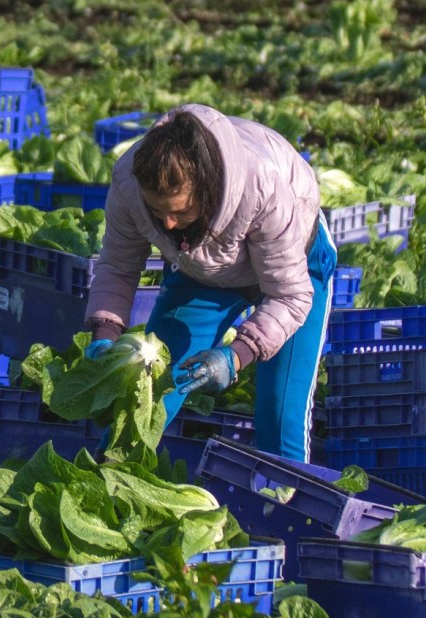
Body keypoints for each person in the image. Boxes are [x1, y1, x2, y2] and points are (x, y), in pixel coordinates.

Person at [83, 103, 336, 463]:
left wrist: (238, 355)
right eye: (158, 211)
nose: (168, 224)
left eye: (180, 211)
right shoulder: (129, 181)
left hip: (295, 268)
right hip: (202, 269)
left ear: (207, 188)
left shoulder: (262, 185)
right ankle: (106, 478)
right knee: (151, 388)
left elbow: (289, 296)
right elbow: (118, 266)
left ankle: (284, 494)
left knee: (280, 412)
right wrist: (105, 333)